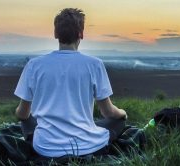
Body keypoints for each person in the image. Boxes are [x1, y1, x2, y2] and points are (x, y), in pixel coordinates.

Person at [13, 8, 127, 158]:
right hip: (87, 146)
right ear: (81, 34)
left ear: (55, 34)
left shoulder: (34, 65)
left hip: (45, 148)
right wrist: (123, 113)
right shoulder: (95, 64)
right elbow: (108, 112)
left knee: (26, 119)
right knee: (118, 122)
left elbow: (22, 113)